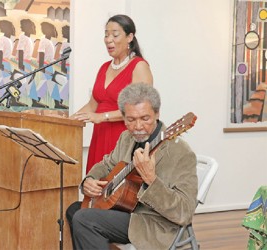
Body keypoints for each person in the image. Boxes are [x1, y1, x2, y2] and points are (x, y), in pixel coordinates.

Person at [66, 83, 198, 249]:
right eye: (131, 120)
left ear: (157, 113)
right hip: (124, 209)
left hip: (153, 223)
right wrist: (89, 179)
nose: (138, 127)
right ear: (123, 117)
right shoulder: (126, 138)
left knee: (84, 219)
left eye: (145, 118)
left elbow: (184, 212)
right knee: (74, 210)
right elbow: (107, 164)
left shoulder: (180, 152)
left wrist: (151, 180)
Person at [71, 14, 153, 174]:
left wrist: (103, 117)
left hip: (123, 139)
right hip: (100, 136)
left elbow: (141, 111)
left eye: (115, 35)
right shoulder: (104, 67)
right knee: (95, 187)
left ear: (130, 37)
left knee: (115, 192)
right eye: (106, 34)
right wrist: (68, 120)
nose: (109, 39)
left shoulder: (139, 66)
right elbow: (92, 105)